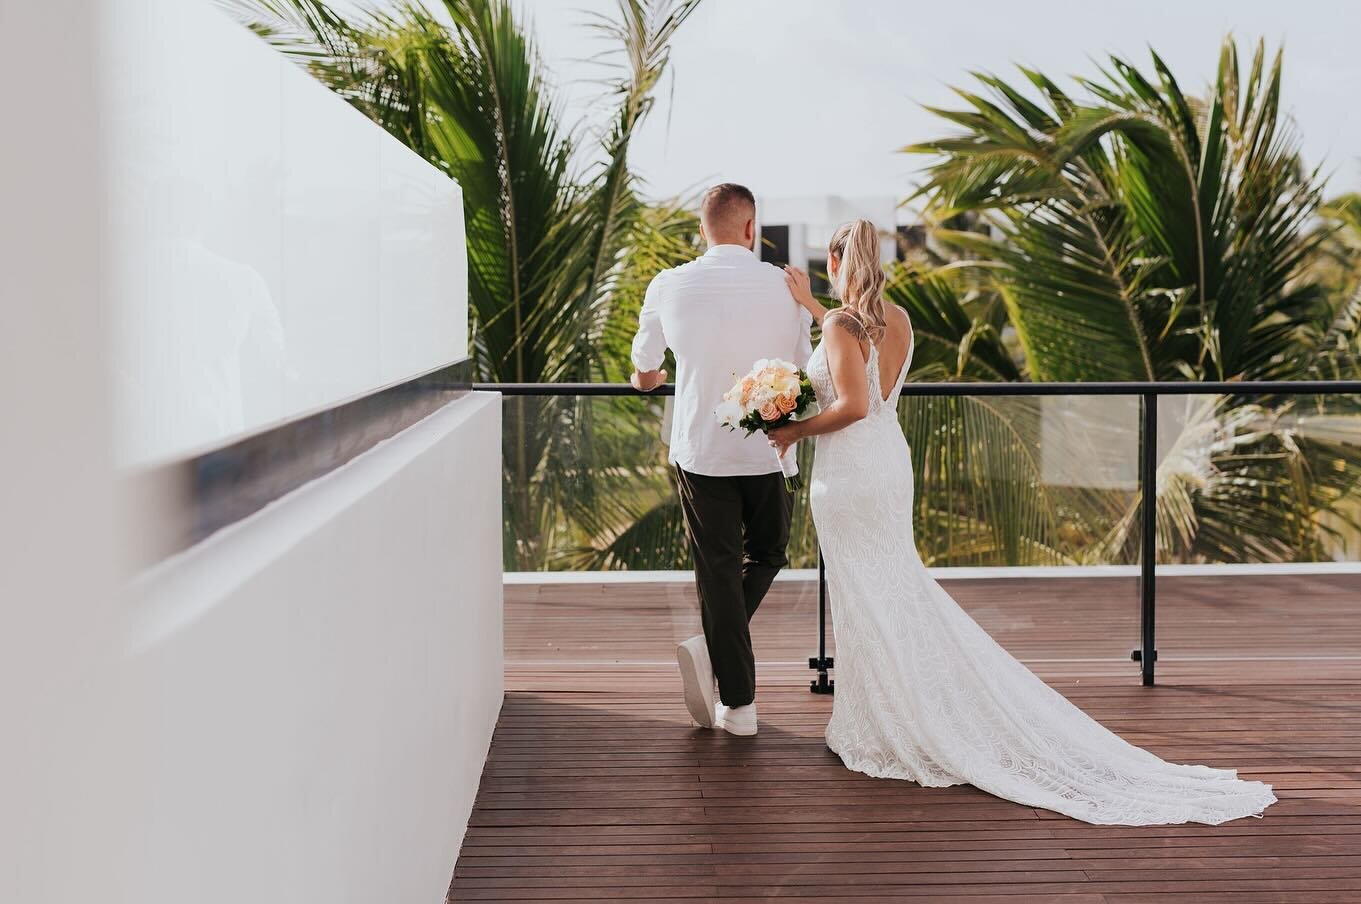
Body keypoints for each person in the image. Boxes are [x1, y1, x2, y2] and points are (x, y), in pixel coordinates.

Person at [767, 218, 1277, 825]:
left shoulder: (838, 324)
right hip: (887, 464)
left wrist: (793, 429)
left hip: (849, 474)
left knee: (866, 594)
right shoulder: (896, 321)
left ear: (834, 260)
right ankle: (890, 709)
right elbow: (859, 357)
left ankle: (888, 721)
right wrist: (810, 303)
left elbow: (851, 402)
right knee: (893, 587)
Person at [630, 183, 812, 737]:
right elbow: (806, 364)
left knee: (716, 572)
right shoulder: (786, 287)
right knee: (770, 553)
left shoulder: (670, 284)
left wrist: (653, 379)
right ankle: (736, 701)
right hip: (768, 447)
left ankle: (733, 694)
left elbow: (645, 370)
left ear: (702, 228)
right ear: (752, 228)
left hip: (702, 452)